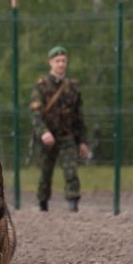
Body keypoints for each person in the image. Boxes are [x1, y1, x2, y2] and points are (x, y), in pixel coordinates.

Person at [29, 45, 89, 213]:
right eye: (57, 61)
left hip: (67, 136)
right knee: (45, 175)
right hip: (48, 138)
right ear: (50, 63)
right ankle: (43, 204)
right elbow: (35, 114)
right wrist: (44, 132)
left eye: (63, 61)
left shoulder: (73, 87)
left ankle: (73, 205)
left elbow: (79, 117)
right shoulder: (42, 87)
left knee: (71, 172)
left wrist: (82, 141)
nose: (61, 64)